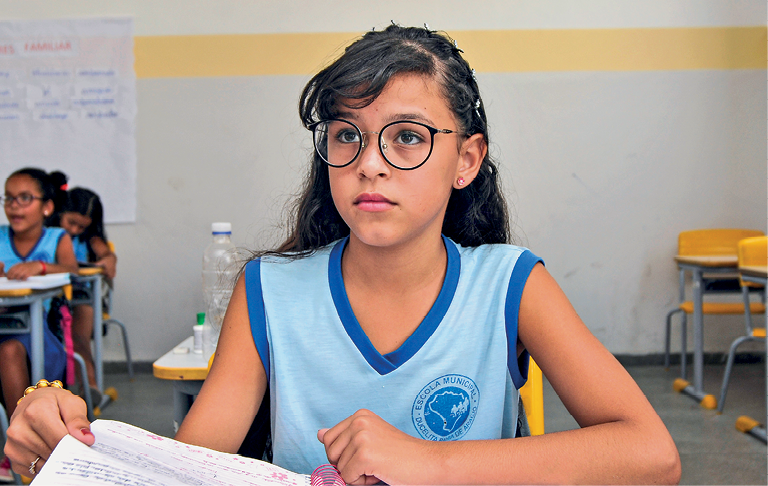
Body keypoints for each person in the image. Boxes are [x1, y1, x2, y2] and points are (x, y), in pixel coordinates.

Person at [4, 25, 681, 485]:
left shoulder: (509, 284)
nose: (371, 166)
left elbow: (651, 454)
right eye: (347, 135)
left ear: (465, 160)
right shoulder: (269, 290)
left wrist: (431, 465)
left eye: (408, 137)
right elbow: (193, 465)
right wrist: (61, 428)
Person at [0, 168, 78, 482]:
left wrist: (41, 266)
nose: (15, 206)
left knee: (8, 353)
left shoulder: (57, 238)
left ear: (46, 206)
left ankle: (20, 446)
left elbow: (73, 270)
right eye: (9, 198)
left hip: (39, 331)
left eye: (25, 198)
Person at [47, 187, 117, 402]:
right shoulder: (49, 235)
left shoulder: (89, 238)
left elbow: (106, 254)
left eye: (82, 226)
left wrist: (108, 259)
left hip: (80, 296)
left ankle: (90, 386)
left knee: (79, 335)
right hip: (50, 295)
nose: (76, 230)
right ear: (60, 213)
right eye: (71, 223)